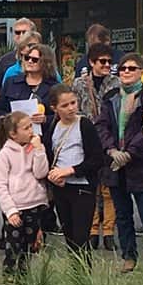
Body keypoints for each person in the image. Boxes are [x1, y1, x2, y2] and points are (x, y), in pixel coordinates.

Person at [97, 52, 143, 272]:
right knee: (122, 215)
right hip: (115, 166)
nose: (126, 72)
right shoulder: (110, 96)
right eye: (122, 69)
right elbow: (101, 126)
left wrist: (129, 152)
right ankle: (128, 256)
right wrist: (111, 149)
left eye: (131, 68)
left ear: (142, 72)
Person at [42, 84, 104, 254]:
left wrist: (71, 170)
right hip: (61, 187)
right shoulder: (53, 126)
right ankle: (74, 276)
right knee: (69, 235)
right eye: (65, 105)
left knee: (81, 237)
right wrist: (53, 174)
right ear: (54, 108)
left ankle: (83, 276)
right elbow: (49, 155)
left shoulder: (84, 124)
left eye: (73, 103)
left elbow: (97, 159)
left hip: (82, 187)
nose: (71, 108)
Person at [73, 44, 120, 250]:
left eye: (109, 62)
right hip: (87, 139)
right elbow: (74, 109)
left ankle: (109, 232)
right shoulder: (79, 84)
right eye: (102, 62)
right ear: (91, 63)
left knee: (109, 188)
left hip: (110, 139)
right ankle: (92, 231)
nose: (107, 65)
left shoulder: (116, 82)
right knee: (91, 188)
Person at [0, 111, 49, 275]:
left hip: (34, 203)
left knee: (30, 249)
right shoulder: (5, 154)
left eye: (31, 126)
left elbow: (41, 173)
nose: (31, 131)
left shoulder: (36, 148)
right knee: (13, 249)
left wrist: (39, 150)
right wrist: (10, 211)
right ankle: (9, 281)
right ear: (13, 134)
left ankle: (25, 281)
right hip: (16, 208)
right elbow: (1, 186)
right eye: (26, 128)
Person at [0, 40, 59, 126]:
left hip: (44, 135)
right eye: (27, 58)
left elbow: (61, 114)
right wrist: (10, 119)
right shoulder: (11, 82)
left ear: (45, 63)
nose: (29, 61)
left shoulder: (54, 87)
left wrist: (46, 119)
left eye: (35, 60)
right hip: (15, 133)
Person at [0, 18, 36, 99]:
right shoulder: (6, 62)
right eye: (17, 32)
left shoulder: (46, 62)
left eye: (25, 32)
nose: (21, 35)